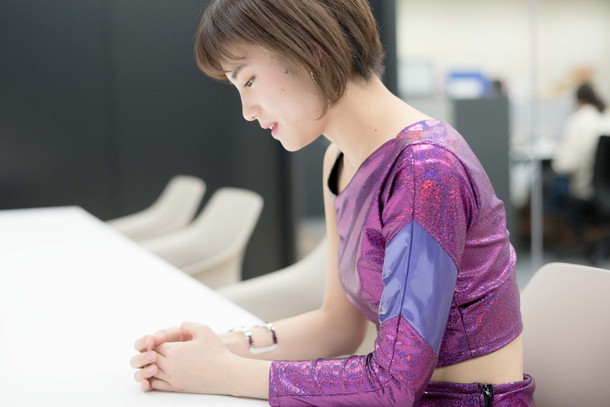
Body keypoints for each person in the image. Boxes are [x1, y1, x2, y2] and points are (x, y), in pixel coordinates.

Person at [130, 0, 535, 405]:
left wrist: (223, 372)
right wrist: (222, 347)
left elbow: (392, 385)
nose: (247, 111)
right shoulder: (339, 161)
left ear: (310, 51)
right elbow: (337, 326)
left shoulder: (424, 168)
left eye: (248, 80)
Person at [552, 82, 610, 240]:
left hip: (586, 192)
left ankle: (570, 236)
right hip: (606, 192)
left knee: (549, 187)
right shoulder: (606, 118)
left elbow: (565, 165)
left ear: (578, 101)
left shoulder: (577, 121)